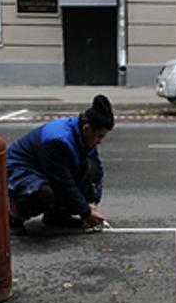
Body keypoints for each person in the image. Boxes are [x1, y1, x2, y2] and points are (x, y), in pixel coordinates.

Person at [6, 95, 114, 236]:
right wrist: (85, 212)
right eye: (100, 136)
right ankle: (14, 217)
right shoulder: (57, 140)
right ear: (87, 128)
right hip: (19, 171)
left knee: (90, 167)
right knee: (44, 194)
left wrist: (92, 201)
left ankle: (57, 215)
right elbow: (62, 181)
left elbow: (96, 171)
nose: (100, 141)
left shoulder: (86, 136)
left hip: (45, 167)